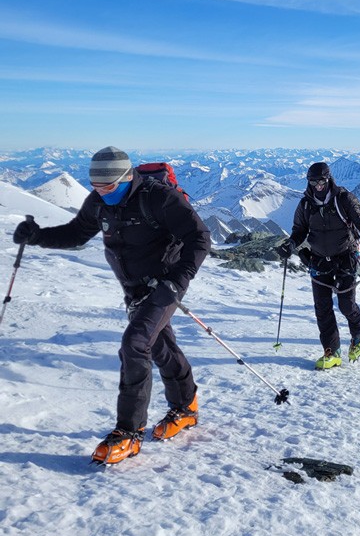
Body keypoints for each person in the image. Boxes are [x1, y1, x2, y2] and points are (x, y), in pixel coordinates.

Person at [12, 146, 211, 464]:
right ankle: (186, 406)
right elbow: (76, 233)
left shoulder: (157, 197)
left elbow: (199, 237)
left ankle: (129, 433)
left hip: (164, 285)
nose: (101, 192)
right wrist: (36, 236)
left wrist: (176, 282)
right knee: (158, 345)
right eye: (96, 186)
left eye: (108, 186)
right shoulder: (99, 202)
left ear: (127, 177)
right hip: (133, 288)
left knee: (135, 344)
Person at [277, 162, 360, 369]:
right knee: (323, 308)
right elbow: (299, 230)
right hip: (318, 259)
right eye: (313, 181)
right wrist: (291, 244)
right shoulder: (306, 204)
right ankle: (331, 351)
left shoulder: (344, 199)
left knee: (346, 304)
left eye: (321, 181)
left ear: (329, 179)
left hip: (345, 257)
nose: (318, 185)